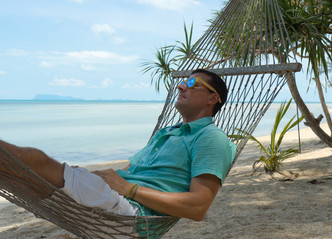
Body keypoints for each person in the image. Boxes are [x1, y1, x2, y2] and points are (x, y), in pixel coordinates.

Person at [0, 69, 235, 221]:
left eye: (192, 83)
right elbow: (133, 172)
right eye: (182, 82)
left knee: (33, 160)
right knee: (24, 177)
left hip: (130, 211)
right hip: (114, 196)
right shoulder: (167, 132)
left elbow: (198, 207)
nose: (181, 86)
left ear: (212, 98)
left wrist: (128, 189)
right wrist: (95, 177)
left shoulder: (210, 138)